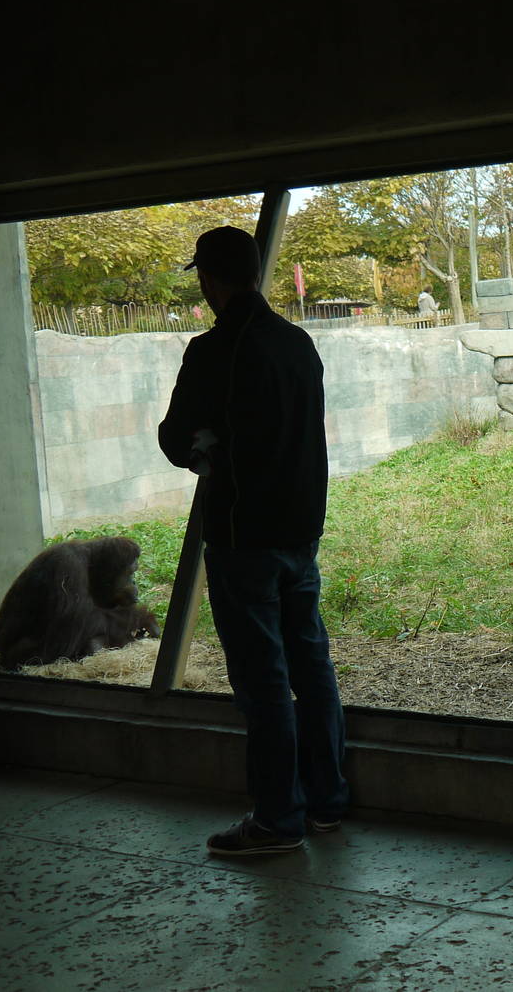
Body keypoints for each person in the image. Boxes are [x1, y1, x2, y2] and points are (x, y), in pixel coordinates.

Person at [159, 226, 349, 856]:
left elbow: (173, 438)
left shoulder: (213, 350)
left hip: (243, 536)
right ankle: (326, 801)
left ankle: (276, 819)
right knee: (311, 665)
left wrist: (205, 447)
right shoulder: (299, 344)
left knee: (263, 680)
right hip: (301, 531)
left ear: (209, 280)